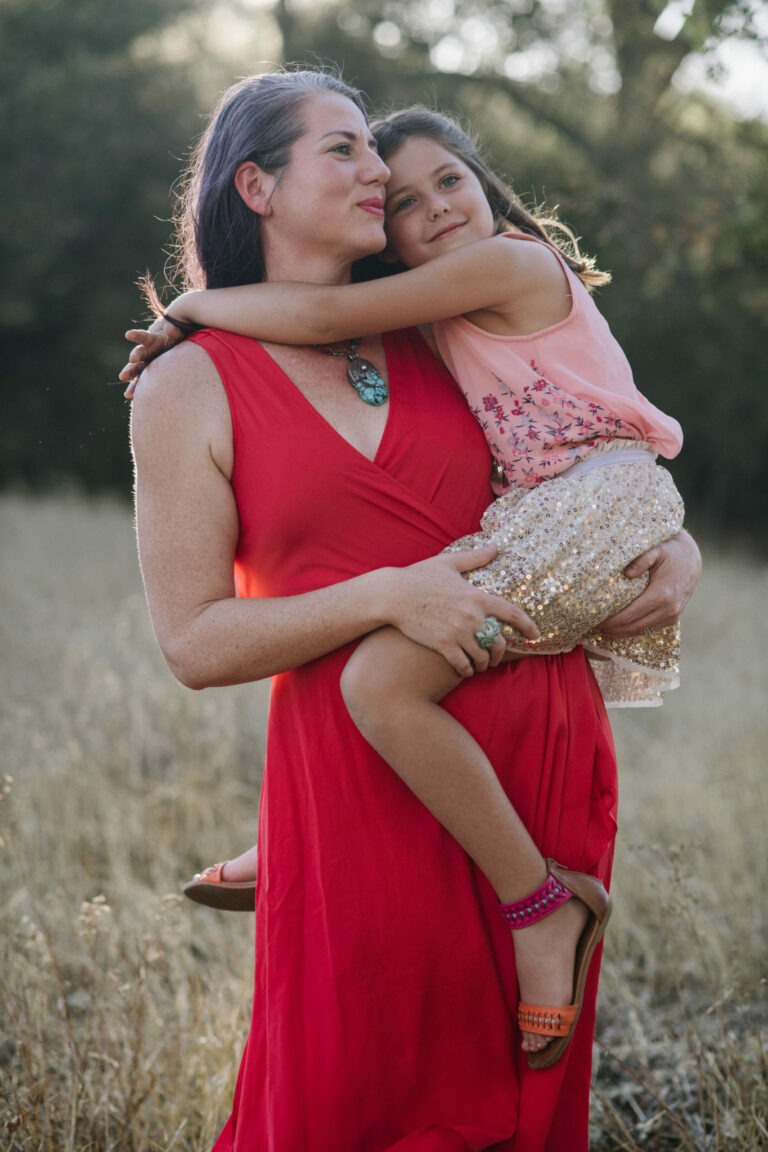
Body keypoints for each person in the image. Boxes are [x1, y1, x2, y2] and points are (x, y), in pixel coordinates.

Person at [126, 69, 700, 1151]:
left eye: (375, 154)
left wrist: (678, 546)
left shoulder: (443, 326)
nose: (378, 171)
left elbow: (579, 451)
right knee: (349, 1103)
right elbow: (193, 644)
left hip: (534, 767)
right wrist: (387, 594)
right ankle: (294, 849)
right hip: (359, 774)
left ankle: (541, 906)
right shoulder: (188, 383)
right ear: (256, 185)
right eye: (343, 150)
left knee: (519, 1115)